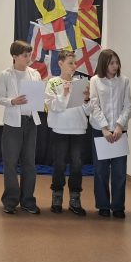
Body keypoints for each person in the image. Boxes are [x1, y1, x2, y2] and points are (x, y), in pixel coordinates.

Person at [0, 40, 42, 214]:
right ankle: (10, 201)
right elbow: (0, 98)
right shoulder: (6, 74)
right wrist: (13, 101)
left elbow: (38, 98)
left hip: (30, 123)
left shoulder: (35, 74)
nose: (29, 58)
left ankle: (28, 200)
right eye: (25, 55)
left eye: (29, 55)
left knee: (29, 162)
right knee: (10, 163)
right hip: (13, 123)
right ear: (15, 56)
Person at [45, 50, 91, 216]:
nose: (74, 66)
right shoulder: (53, 82)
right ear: (60, 63)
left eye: (75, 63)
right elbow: (52, 106)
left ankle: (75, 199)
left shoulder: (81, 83)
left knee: (77, 165)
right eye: (70, 63)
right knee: (59, 164)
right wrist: (64, 94)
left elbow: (88, 110)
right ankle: (57, 197)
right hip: (60, 129)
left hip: (78, 130)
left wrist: (87, 100)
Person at [89, 49, 131, 219]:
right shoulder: (95, 80)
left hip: (120, 131)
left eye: (117, 62)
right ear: (104, 64)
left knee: (119, 171)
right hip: (101, 131)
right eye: (111, 63)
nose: (115, 66)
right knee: (101, 171)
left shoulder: (124, 81)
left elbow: (127, 106)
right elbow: (94, 106)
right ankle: (103, 205)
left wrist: (120, 126)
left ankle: (118, 206)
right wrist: (104, 128)